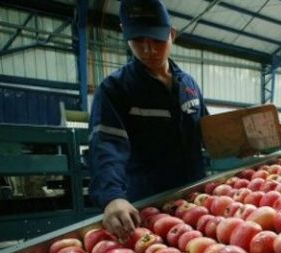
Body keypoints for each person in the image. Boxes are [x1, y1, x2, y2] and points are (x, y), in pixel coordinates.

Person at [88, 0, 208, 240]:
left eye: (157, 40)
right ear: (126, 37)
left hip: (196, 199)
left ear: (171, 35)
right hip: (149, 205)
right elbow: (106, 146)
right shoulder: (116, 89)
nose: (148, 49)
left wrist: (240, 145)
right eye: (139, 41)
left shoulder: (188, 85)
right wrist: (113, 197)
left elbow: (207, 130)